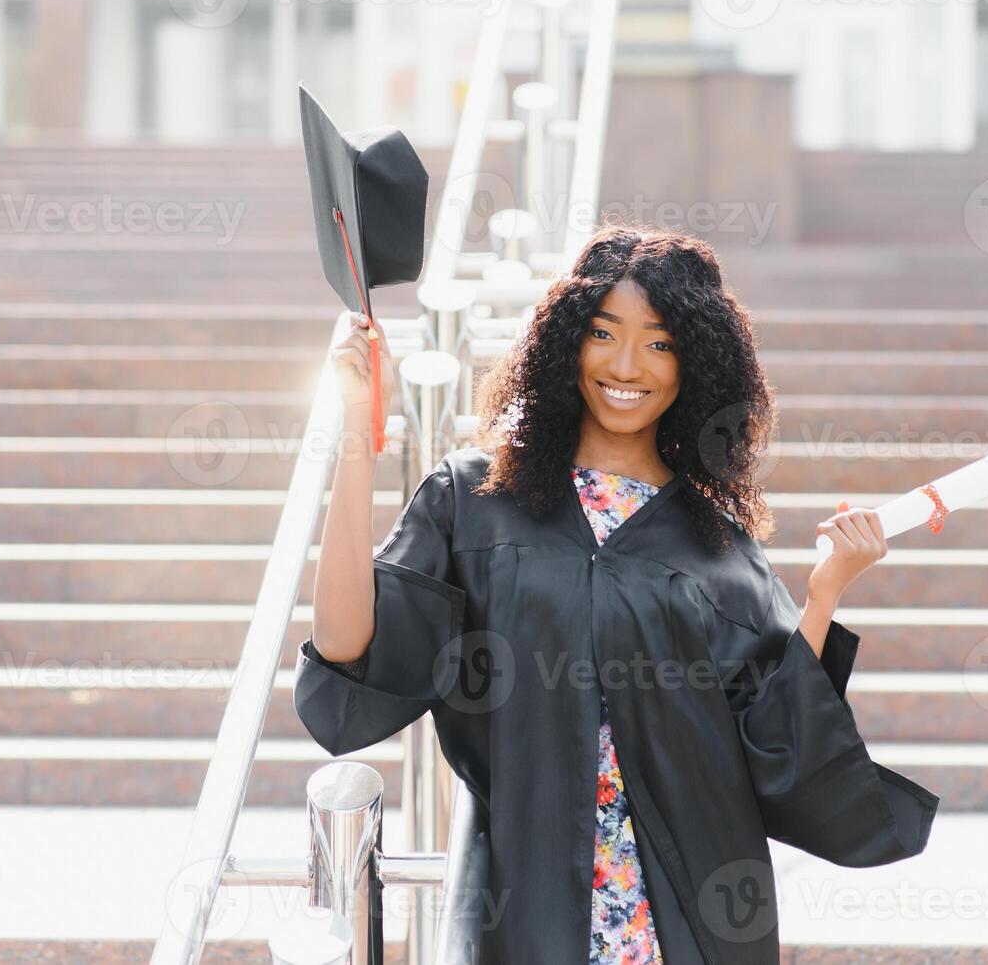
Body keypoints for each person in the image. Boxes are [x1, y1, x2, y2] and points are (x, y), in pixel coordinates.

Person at [296, 223, 939, 965]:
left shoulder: (715, 546)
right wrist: (353, 433)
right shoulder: (477, 501)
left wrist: (825, 595)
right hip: (528, 904)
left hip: (683, 921)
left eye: (660, 342)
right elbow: (350, 651)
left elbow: (779, 753)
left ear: (696, 362)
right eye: (603, 333)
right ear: (565, 340)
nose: (627, 364)